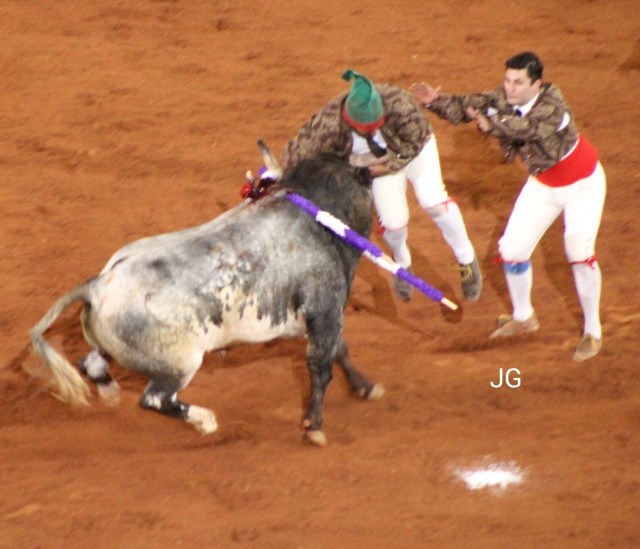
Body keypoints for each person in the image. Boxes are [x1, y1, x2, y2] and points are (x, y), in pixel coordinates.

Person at [411, 52, 606, 362]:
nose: (510, 88)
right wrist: (436, 102)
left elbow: (526, 128)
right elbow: (467, 105)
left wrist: (491, 123)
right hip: (544, 183)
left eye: (518, 83)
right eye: (507, 80)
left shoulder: (553, 106)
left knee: (578, 251)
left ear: (536, 85)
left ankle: (592, 331)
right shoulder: (503, 98)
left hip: (583, 185)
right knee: (512, 249)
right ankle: (524, 317)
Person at [281, 69, 482, 303]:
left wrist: (388, 166)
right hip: (375, 162)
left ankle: (466, 258)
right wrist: (280, 181)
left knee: (433, 201)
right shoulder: (326, 124)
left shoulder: (399, 102)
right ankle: (402, 264)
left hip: (415, 152)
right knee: (394, 223)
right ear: (349, 119)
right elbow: (295, 154)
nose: (372, 131)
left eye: (376, 125)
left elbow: (415, 142)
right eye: (365, 129)